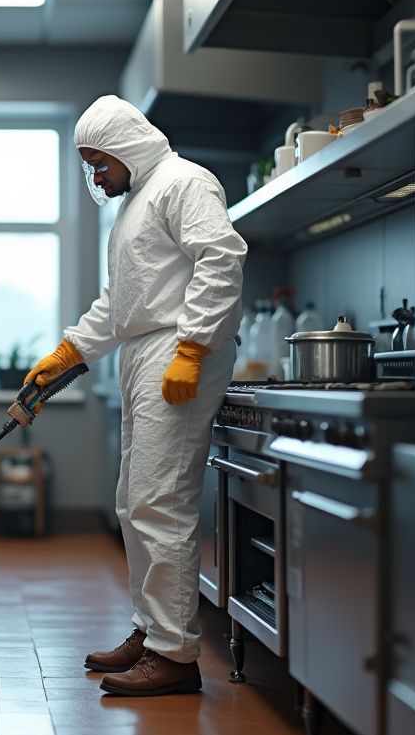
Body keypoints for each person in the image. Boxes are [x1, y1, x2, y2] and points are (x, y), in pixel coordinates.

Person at [24, 95, 247, 697]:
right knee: (133, 501)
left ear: (125, 148)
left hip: (178, 353)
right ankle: (151, 632)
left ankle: (174, 656)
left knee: (159, 501)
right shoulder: (134, 205)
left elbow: (221, 260)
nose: (96, 175)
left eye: (100, 163)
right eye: (89, 165)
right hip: (147, 352)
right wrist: (71, 351)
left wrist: (194, 348)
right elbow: (123, 302)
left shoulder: (184, 183)